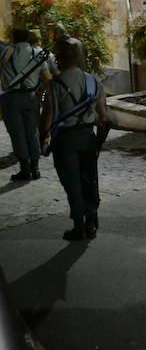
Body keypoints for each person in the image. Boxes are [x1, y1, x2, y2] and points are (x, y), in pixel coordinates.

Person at [39, 41, 108, 241]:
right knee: (89, 179)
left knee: (72, 183)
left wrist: (43, 139)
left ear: (59, 59)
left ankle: (79, 227)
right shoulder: (93, 81)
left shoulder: (54, 84)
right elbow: (103, 116)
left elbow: (47, 118)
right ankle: (92, 221)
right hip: (87, 137)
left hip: (65, 140)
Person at [1, 27, 51, 181]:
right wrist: (39, 93)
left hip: (11, 99)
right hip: (31, 98)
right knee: (32, 132)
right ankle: (35, 169)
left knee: (17, 134)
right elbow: (47, 79)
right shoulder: (37, 54)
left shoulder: (5, 53)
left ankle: (25, 169)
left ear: (13, 38)